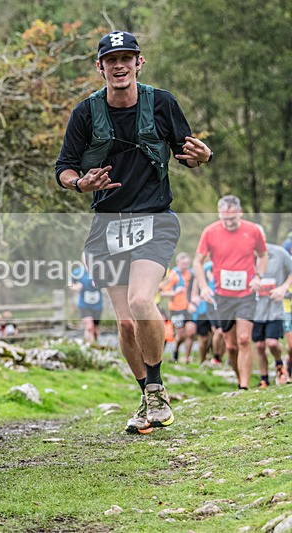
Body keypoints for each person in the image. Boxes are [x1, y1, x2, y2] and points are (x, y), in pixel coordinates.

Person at [55, 31, 212, 434]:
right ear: (100, 67)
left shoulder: (162, 103)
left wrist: (203, 157)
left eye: (127, 58)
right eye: (111, 60)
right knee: (124, 324)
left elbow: (188, 153)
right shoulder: (85, 113)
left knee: (143, 302)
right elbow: (64, 169)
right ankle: (146, 396)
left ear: (139, 63)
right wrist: (80, 184)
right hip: (107, 226)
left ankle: (157, 391)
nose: (119, 65)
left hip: (155, 219)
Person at [193, 195, 268, 390]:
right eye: (224, 219)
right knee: (231, 346)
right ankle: (238, 376)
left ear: (240, 213)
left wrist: (258, 277)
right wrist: (203, 287)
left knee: (244, 339)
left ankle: (243, 387)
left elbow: (263, 255)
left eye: (232, 219)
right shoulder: (210, 232)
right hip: (223, 295)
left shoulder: (253, 231)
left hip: (246, 293)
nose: (229, 223)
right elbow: (197, 262)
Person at [252, 241, 292, 387]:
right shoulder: (246, 255)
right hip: (256, 309)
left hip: (275, 308)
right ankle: (264, 379)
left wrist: (283, 288)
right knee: (259, 345)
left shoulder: (279, 253)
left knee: (272, 342)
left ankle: (280, 365)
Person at [159, 252, 196, 363]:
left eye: (187, 264)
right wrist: (174, 292)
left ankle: (187, 358)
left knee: (191, 332)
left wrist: (194, 301)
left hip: (187, 308)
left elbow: (194, 287)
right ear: (178, 263)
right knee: (181, 335)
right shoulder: (173, 275)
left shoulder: (190, 273)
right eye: (183, 264)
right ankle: (175, 350)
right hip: (175, 309)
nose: (185, 266)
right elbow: (161, 292)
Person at [190, 260, 224, 365]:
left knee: (219, 332)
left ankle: (217, 358)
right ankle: (203, 361)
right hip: (202, 308)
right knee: (203, 337)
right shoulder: (205, 268)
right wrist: (193, 297)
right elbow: (196, 282)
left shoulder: (224, 265)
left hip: (218, 307)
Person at [70, 262, 103, 343]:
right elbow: (70, 283)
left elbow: (110, 283)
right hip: (84, 305)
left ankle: (95, 345)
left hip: (97, 306)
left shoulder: (100, 270)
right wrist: (75, 287)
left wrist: (100, 284)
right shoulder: (78, 272)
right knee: (89, 326)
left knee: (95, 329)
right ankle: (90, 348)